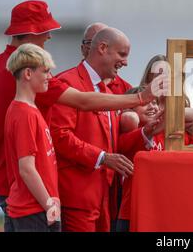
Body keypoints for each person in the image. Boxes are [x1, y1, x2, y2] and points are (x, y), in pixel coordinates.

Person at [0, 0, 168, 231]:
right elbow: (83, 101)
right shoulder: (34, 91)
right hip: (35, 191)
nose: (49, 38)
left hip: (13, 185)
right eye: (45, 32)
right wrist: (141, 98)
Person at [49, 27, 137, 232]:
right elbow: (59, 136)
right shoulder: (67, 82)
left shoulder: (107, 88)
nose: (126, 62)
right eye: (122, 54)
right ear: (103, 48)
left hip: (104, 196)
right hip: (77, 196)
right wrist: (103, 157)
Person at [116, 86, 193, 232]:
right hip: (132, 213)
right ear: (129, 109)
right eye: (145, 103)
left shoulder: (170, 135)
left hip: (163, 212)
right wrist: (147, 130)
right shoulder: (129, 134)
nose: (152, 107)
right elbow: (125, 142)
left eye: (155, 102)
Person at [4, 43, 61, 232]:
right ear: (28, 74)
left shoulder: (27, 109)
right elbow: (27, 169)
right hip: (33, 210)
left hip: (33, 208)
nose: (49, 77)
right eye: (45, 71)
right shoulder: (24, 113)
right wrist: (49, 205)